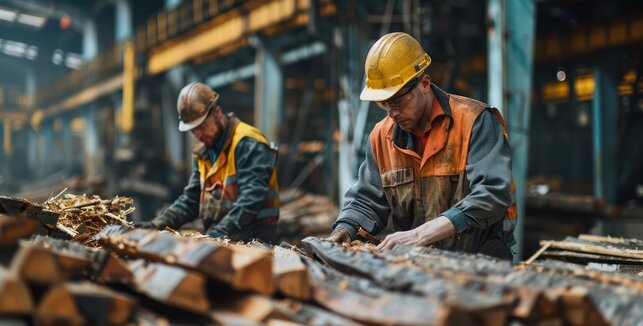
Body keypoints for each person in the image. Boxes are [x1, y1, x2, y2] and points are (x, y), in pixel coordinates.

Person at [324, 32, 517, 260]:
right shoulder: (380, 137)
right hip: (419, 264)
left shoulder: (474, 121)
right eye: (384, 103)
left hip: (483, 261)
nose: (392, 112)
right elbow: (366, 200)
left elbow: (491, 194)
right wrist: (344, 228)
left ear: (425, 84)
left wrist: (420, 234)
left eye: (397, 100)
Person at [137, 82, 280, 243]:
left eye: (202, 126)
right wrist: (156, 225)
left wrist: (216, 235)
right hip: (222, 240)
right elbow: (191, 200)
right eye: (193, 129)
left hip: (254, 241)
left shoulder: (247, 143)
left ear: (217, 112)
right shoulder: (203, 152)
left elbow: (251, 199)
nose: (198, 134)